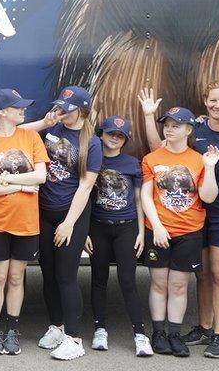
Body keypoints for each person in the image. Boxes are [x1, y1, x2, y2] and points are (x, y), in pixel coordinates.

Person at [140, 82, 219, 358]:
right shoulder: (197, 128)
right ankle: (203, 326)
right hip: (193, 215)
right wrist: (147, 116)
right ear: (205, 102)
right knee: (200, 274)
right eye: (213, 100)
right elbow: (159, 152)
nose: (217, 105)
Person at [22, 86, 101, 360]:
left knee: (66, 276)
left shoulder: (91, 142)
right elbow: (18, 132)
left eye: (67, 109)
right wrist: (45, 122)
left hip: (72, 214)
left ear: (82, 110)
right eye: (59, 107)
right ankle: (56, 326)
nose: (61, 112)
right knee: (48, 272)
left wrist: (68, 223)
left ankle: (74, 338)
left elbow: (86, 186)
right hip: (44, 211)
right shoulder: (52, 129)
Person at [140, 106, 219, 358]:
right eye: (167, 125)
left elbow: (208, 196)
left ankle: (175, 333)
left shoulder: (198, 159)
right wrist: (159, 227)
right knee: (159, 283)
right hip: (159, 230)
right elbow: (145, 196)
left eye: (176, 125)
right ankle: (158, 333)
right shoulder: (152, 158)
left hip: (189, 232)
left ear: (188, 129)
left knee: (178, 286)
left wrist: (210, 167)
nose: (170, 129)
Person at [0, 89, 47, 357]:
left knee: (17, 277)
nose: (23, 110)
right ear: (3, 112)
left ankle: (12, 331)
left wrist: (4, 180)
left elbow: (40, 176)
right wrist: (20, 186)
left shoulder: (30, 137)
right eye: (18, 107)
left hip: (27, 223)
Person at [83, 116, 151, 356]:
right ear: (101, 134)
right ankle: (100, 329)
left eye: (120, 135)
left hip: (127, 227)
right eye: (111, 132)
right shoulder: (92, 160)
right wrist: (85, 232)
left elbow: (138, 199)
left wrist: (141, 232)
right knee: (98, 279)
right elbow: (84, 197)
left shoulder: (132, 163)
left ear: (125, 140)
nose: (114, 137)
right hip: (98, 227)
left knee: (128, 280)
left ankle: (140, 334)